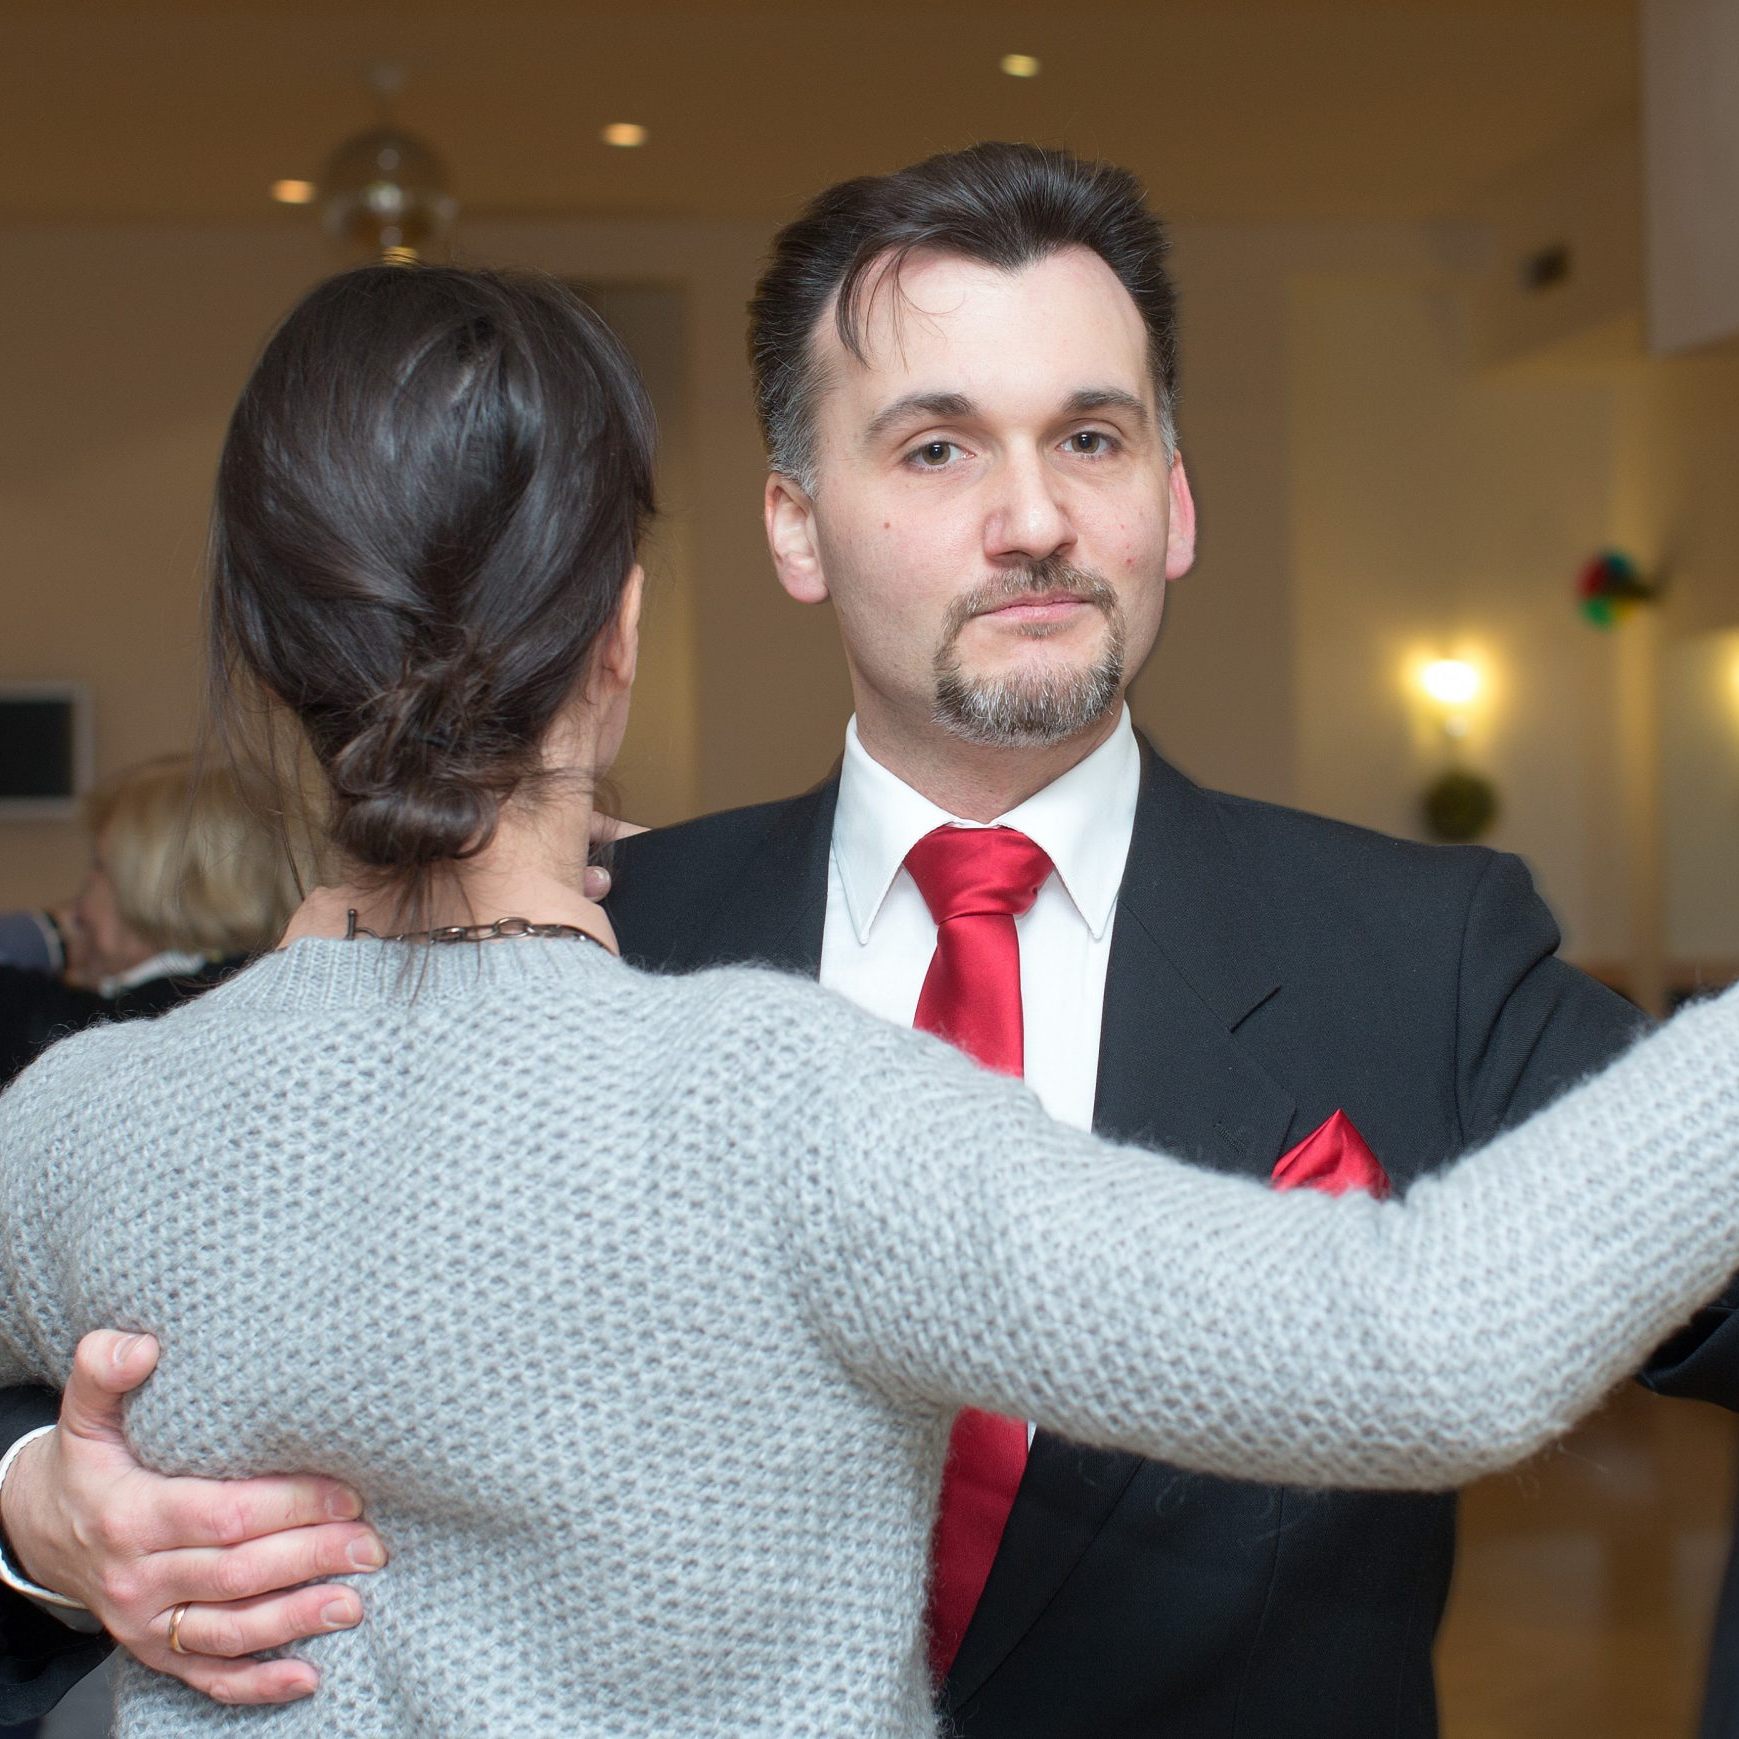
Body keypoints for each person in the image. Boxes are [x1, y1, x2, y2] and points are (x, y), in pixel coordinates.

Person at [0, 153, 1734, 1733]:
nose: (1032, 516)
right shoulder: (627, 958)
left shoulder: (1418, 947)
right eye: (933, 447)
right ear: (786, 525)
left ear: (1174, 496)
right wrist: (39, 1501)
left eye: (1091, 437)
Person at [0, 754, 298, 1086]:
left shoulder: (148, 1020)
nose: (84, 889)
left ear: (155, 884)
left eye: (100, 867)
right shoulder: (261, 986)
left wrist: (44, 935)